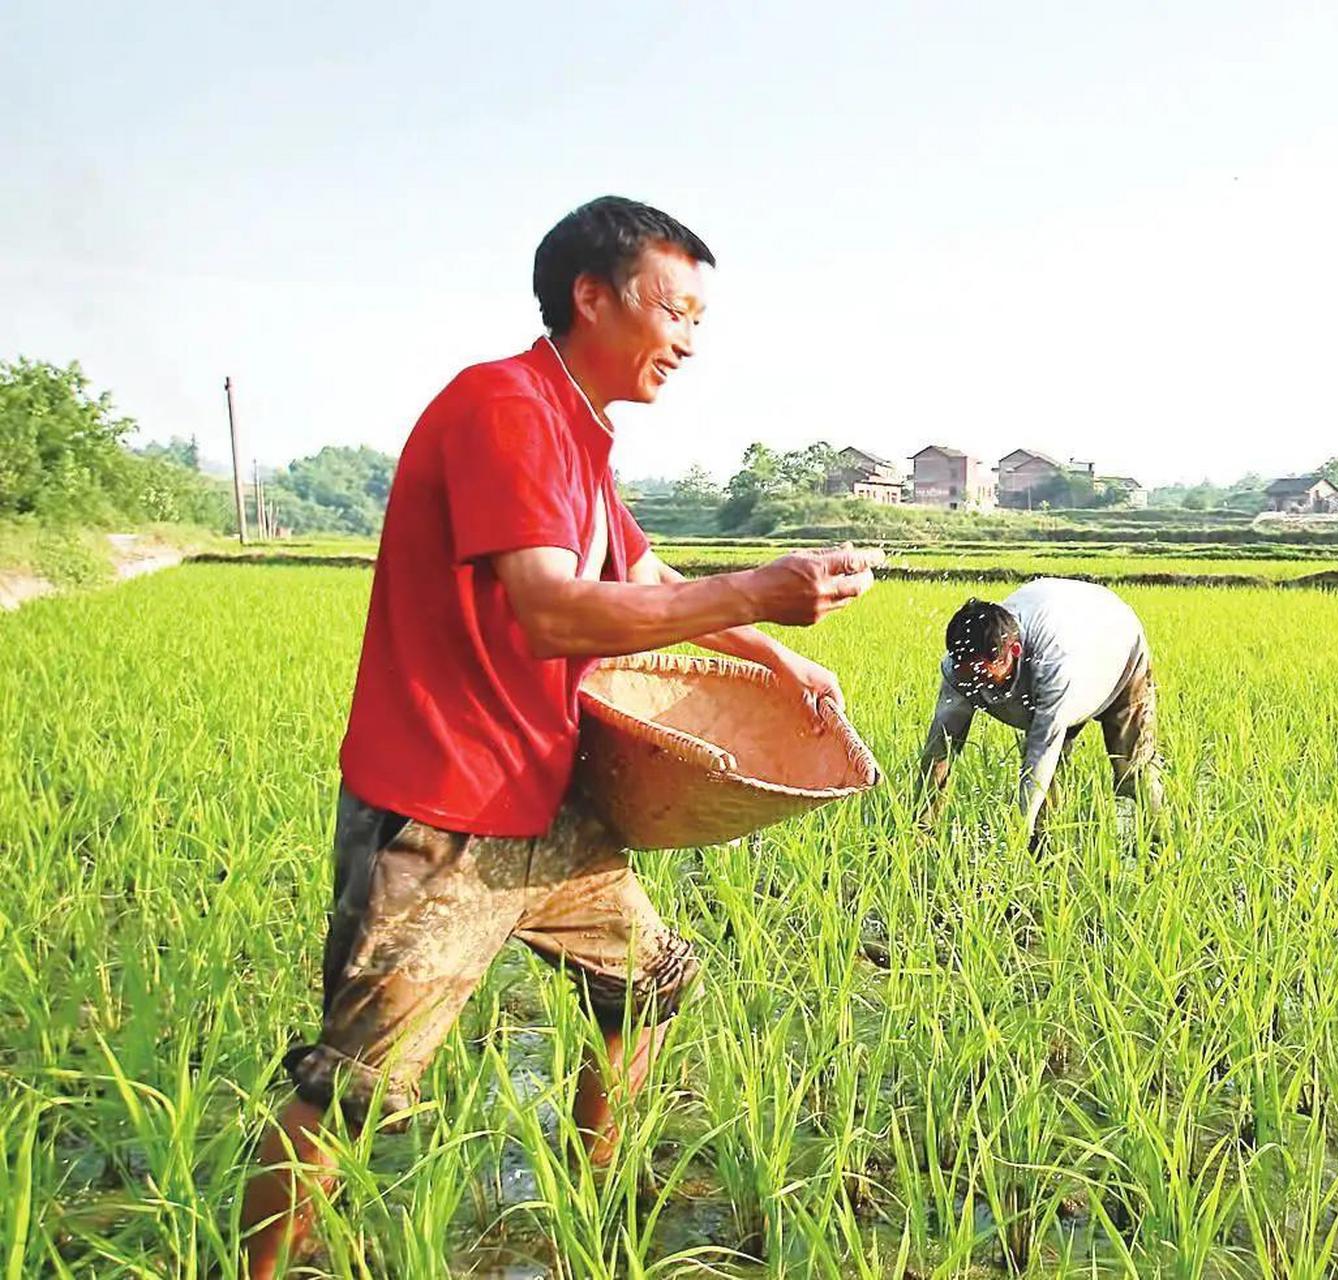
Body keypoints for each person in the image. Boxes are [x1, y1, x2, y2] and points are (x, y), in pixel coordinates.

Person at [238, 196, 882, 1277]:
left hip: (547, 800)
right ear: (592, 294)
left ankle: (593, 1204)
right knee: (352, 1088)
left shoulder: (575, 432)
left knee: (650, 982)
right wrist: (763, 593)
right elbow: (553, 608)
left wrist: (778, 654)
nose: (689, 339)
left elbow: (640, 573)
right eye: (674, 310)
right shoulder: (507, 408)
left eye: (698, 320)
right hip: (443, 815)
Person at [917, 579, 1162, 849]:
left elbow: (1040, 751)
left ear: (1015, 652)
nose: (978, 688)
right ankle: (1043, 850)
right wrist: (920, 826)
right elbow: (941, 746)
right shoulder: (960, 669)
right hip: (1066, 638)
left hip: (1115, 647)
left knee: (1134, 768)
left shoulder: (1053, 664)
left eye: (985, 678)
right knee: (1051, 774)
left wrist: (1016, 833)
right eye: (970, 679)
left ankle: (1158, 848)